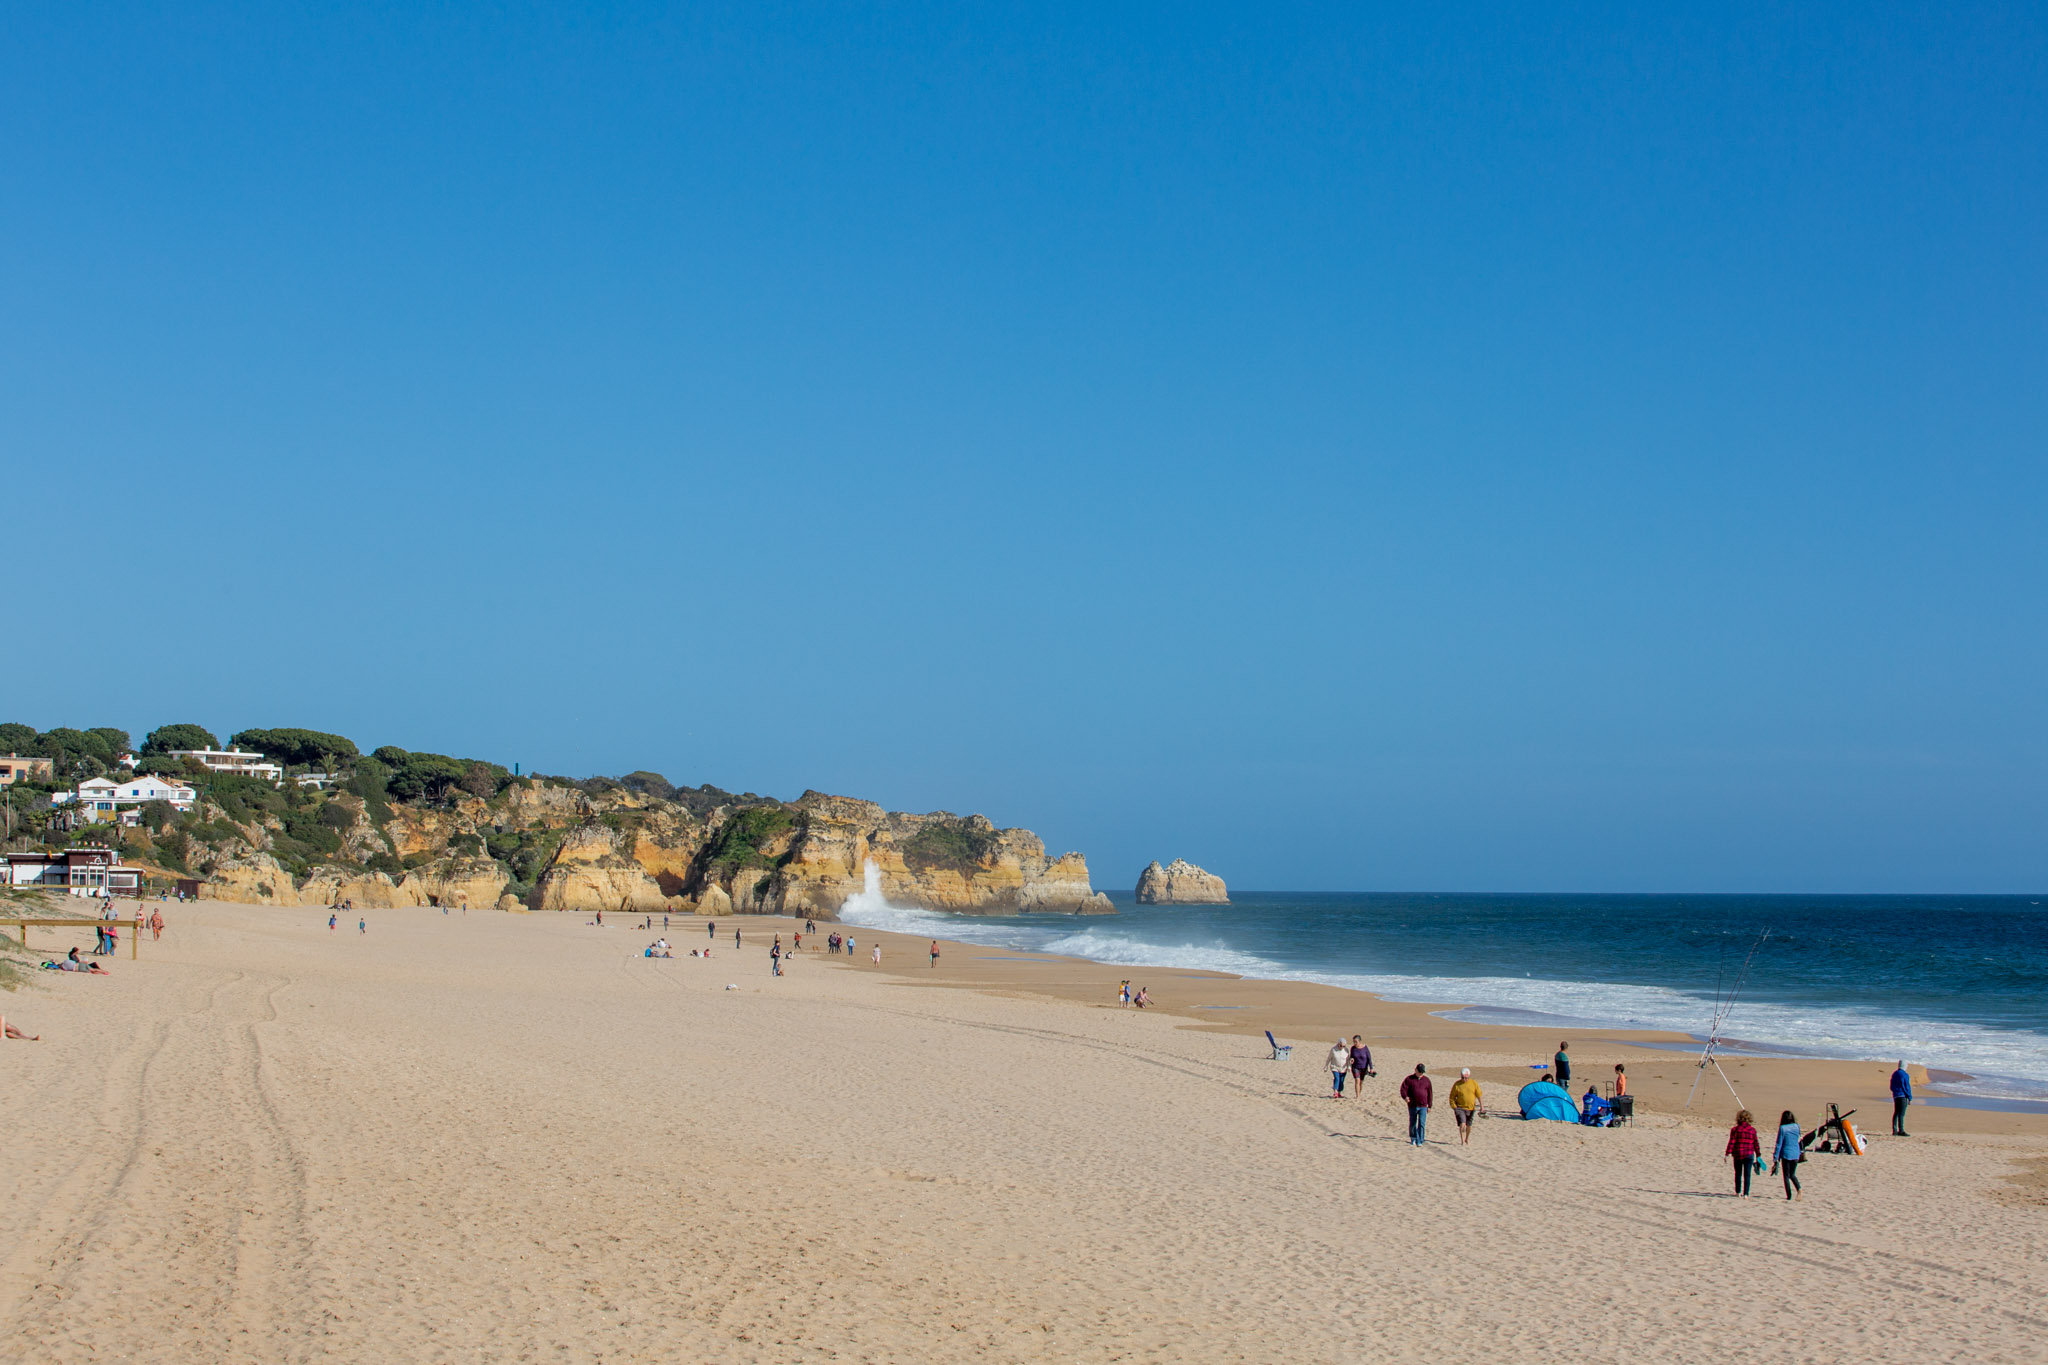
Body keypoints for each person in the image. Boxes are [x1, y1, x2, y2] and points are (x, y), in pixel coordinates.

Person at [1726, 1109, 1761, 1197]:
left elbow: (1732, 1142)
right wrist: (1758, 1154)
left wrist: (1727, 1153)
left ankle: (1738, 1192)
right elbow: (1756, 1144)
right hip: (1748, 1154)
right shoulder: (1752, 1130)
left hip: (1738, 1154)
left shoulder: (1735, 1129)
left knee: (1738, 1173)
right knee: (1747, 1175)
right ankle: (1746, 1194)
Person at [1399, 1064, 1433, 1145]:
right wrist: (1405, 1097)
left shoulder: (1426, 1080)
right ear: (1415, 1070)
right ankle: (1413, 1138)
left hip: (1423, 1106)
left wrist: (1429, 1105)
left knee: (1421, 1123)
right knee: (1413, 1123)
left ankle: (1420, 1140)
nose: (1421, 1073)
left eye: (1422, 1072)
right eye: (1419, 1072)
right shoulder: (1409, 1079)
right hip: (1413, 1105)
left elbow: (1430, 1093)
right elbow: (1403, 1089)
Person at [1775, 1110, 1805, 1200]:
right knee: (1792, 1174)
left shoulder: (1782, 1128)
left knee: (1786, 1176)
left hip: (1786, 1153)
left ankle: (1789, 1196)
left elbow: (1779, 1144)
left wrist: (1775, 1157)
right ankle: (1799, 1189)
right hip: (1796, 1153)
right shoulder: (1797, 1126)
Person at [1449, 1068, 1481, 1144]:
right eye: (1462, 1077)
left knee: (1469, 1125)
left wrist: (1482, 1106)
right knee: (1462, 1123)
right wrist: (1454, 1107)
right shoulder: (1457, 1084)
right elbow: (1452, 1097)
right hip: (1460, 1108)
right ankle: (1462, 1141)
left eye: (1466, 1078)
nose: (1464, 1079)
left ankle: (1466, 1139)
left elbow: (1479, 1095)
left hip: (1471, 1108)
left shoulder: (1473, 1083)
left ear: (1468, 1077)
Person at [1890, 1061, 1913, 1136]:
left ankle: (1894, 1130)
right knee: (1901, 1114)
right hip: (1902, 1096)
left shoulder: (1894, 1074)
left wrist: (1895, 1092)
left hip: (1896, 1096)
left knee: (1896, 1113)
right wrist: (1909, 1097)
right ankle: (1901, 1130)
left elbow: (1891, 1086)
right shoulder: (1905, 1074)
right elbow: (1907, 1087)